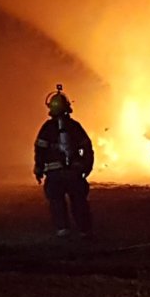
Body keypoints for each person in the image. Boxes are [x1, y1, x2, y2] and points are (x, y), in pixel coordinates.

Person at [34, 84, 94, 238]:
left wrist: (39, 169)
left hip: (54, 175)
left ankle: (63, 229)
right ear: (68, 107)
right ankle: (84, 230)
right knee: (79, 200)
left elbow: (40, 150)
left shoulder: (47, 128)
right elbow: (87, 148)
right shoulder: (74, 126)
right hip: (74, 173)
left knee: (56, 201)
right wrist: (85, 168)